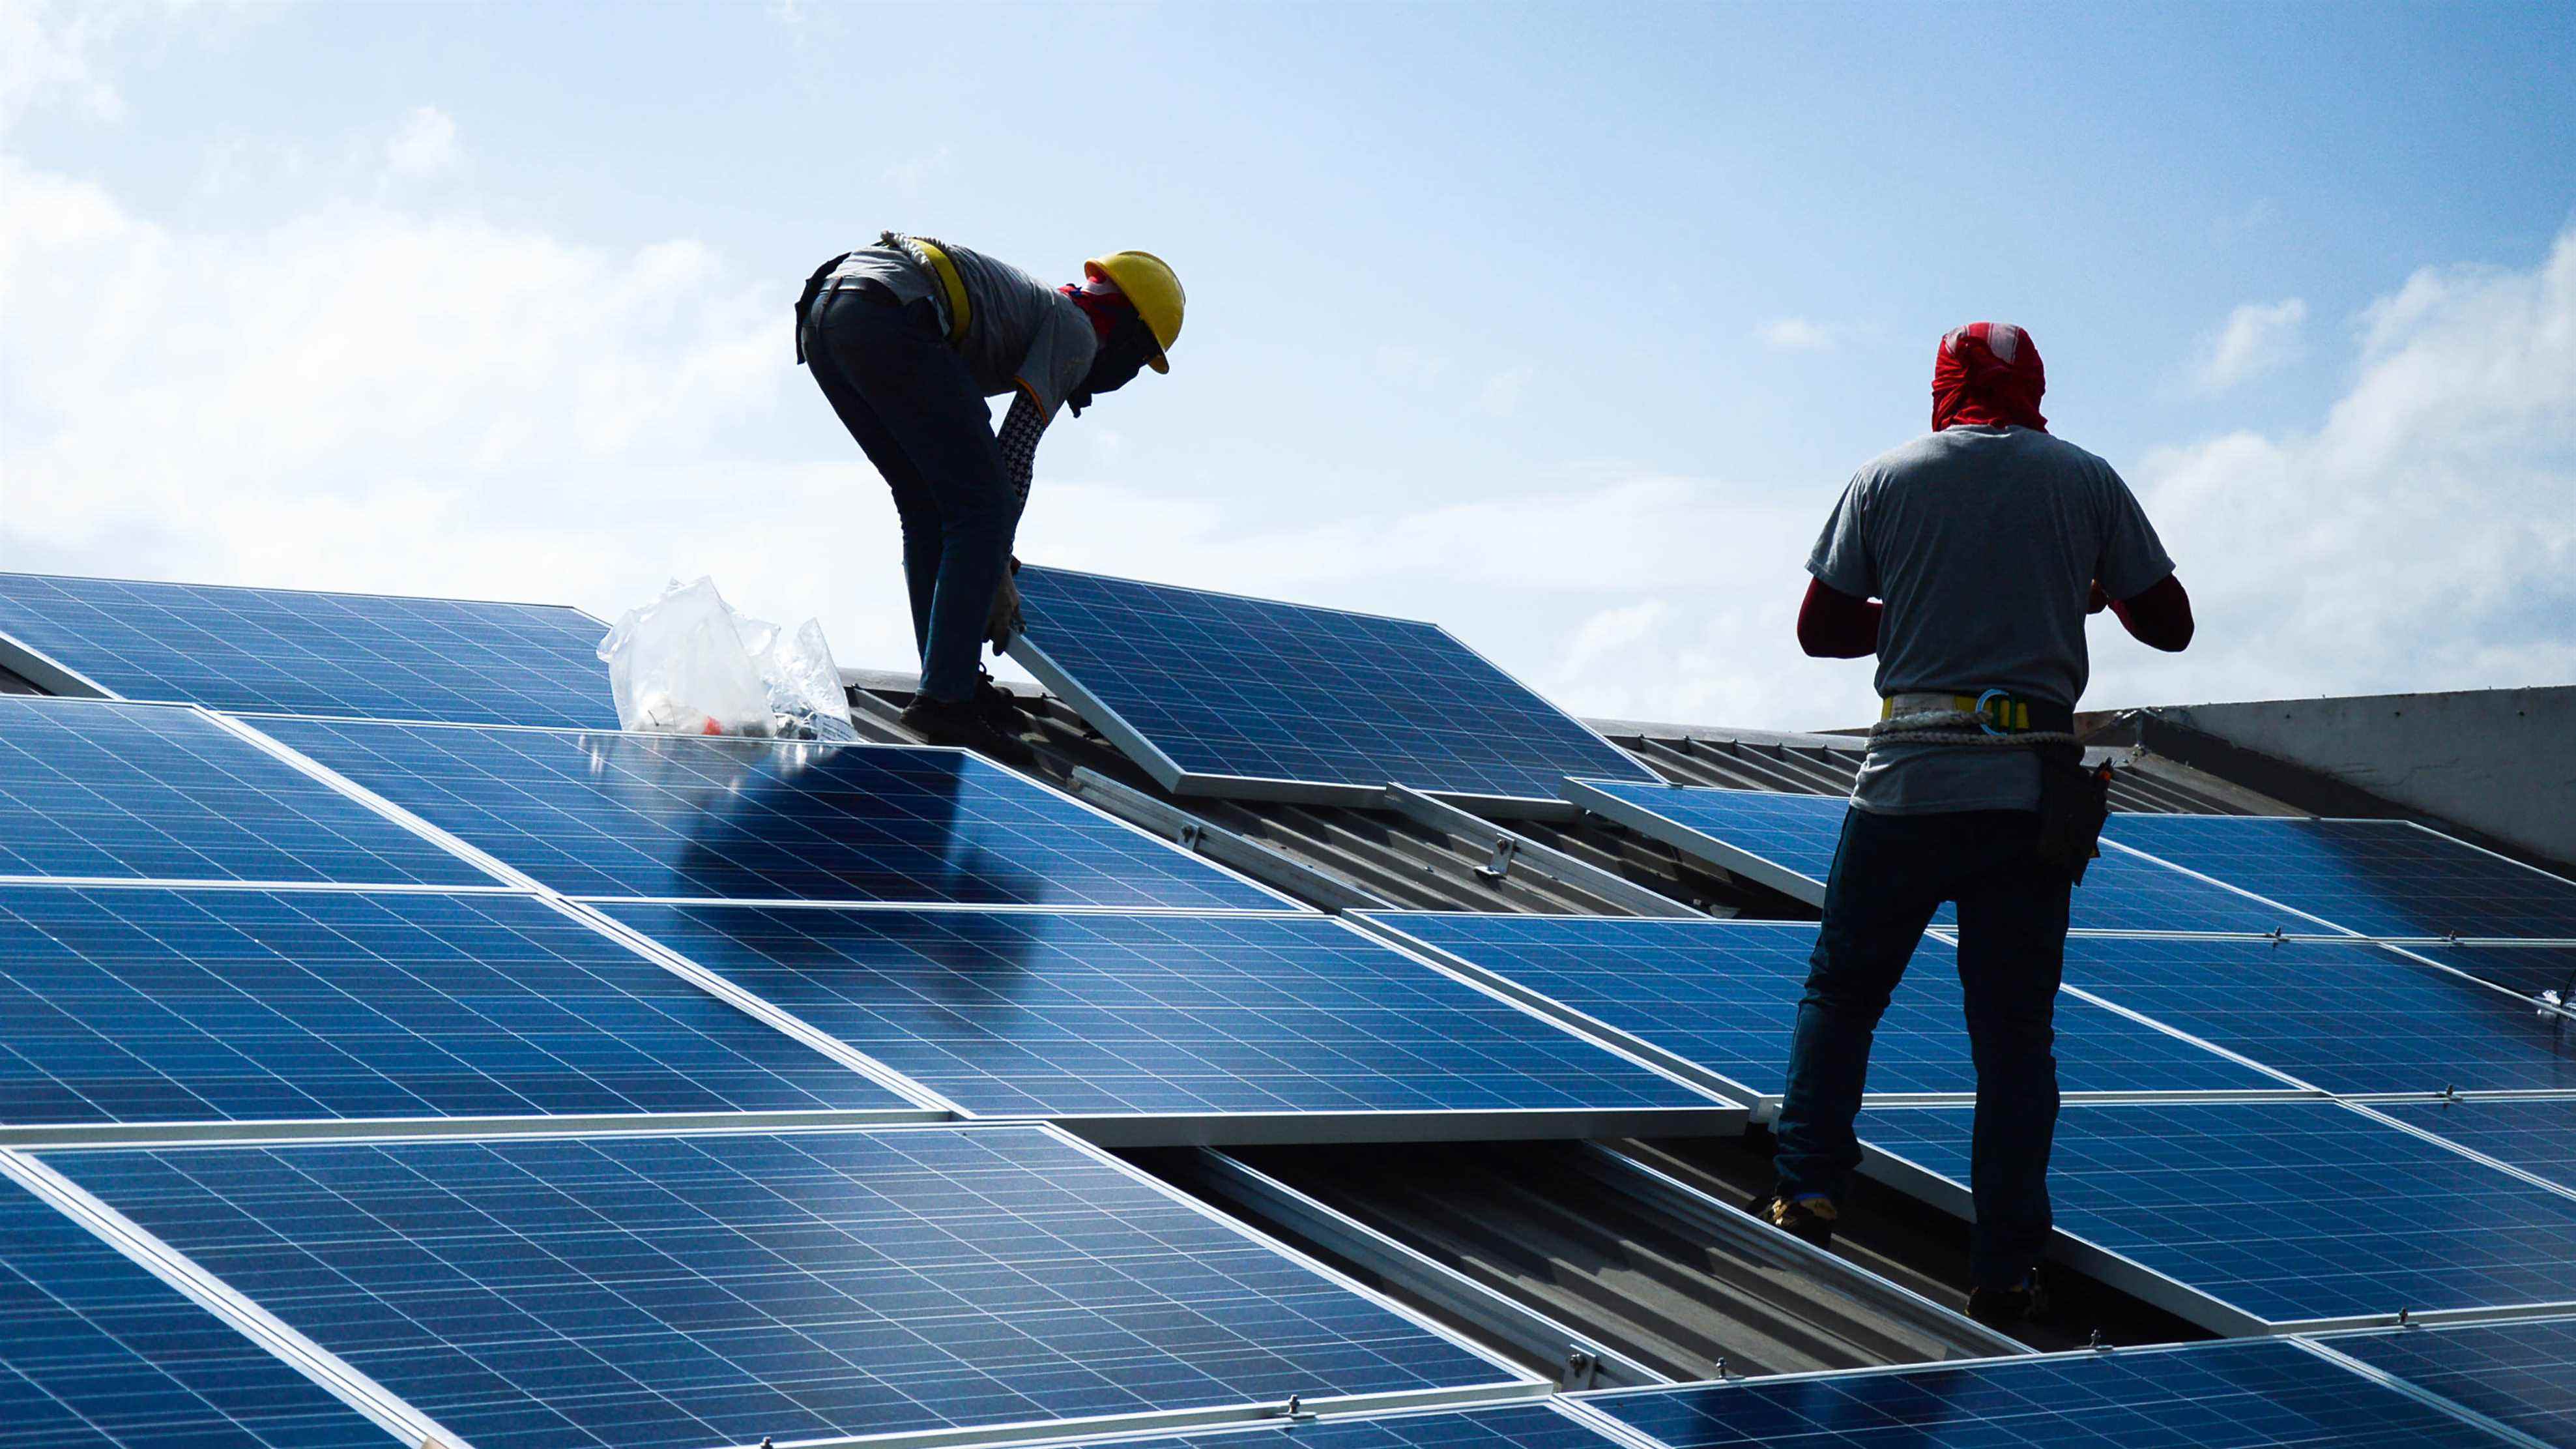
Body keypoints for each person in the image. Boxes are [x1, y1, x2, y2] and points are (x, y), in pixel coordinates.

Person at [1760, 321, 2195, 1328]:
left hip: (1905, 787)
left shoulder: (1886, 477)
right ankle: (2003, 1264)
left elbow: (1821, 629)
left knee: (1843, 993)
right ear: (2035, 386)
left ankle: (1810, 1184)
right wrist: (2063, 596)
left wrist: (1920, 605)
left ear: (1943, 386)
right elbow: (2168, 623)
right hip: (2024, 800)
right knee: (2011, 1041)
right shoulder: (2084, 479)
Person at [795, 233, 1183, 765]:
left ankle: (947, 681)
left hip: (830, 315)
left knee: (928, 504)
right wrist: (996, 558)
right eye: (1140, 359)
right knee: (981, 509)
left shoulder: (1034, 313)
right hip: (889, 312)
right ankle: (946, 697)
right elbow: (1014, 451)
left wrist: (991, 548)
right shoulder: (1076, 329)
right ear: (1128, 332)